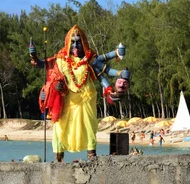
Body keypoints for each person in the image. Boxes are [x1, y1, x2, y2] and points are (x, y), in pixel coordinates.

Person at [29, 25, 128, 162]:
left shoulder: (90, 59)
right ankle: (58, 161)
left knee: (88, 128)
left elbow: (103, 74)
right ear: (68, 42)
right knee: (60, 129)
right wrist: (34, 56)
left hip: (86, 99)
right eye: (73, 41)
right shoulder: (60, 60)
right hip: (66, 100)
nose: (75, 45)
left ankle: (92, 158)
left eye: (78, 42)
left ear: (84, 42)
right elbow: (43, 64)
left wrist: (116, 80)